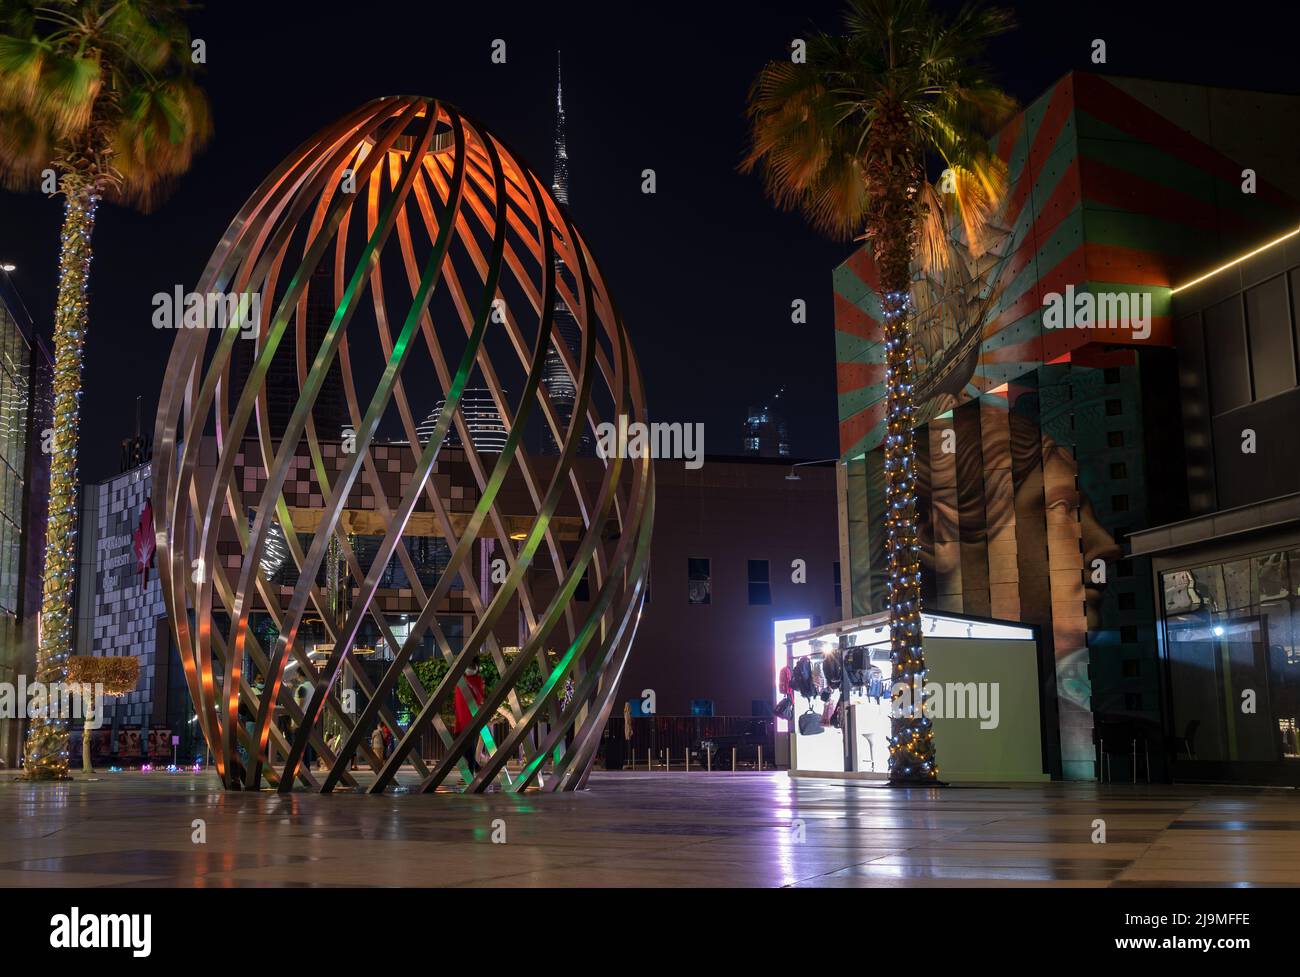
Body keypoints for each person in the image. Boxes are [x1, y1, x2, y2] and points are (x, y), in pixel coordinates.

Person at [454, 659, 486, 776]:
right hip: (461, 720)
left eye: (472, 665)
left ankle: (472, 772)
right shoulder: (463, 681)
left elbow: (479, 698)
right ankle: (475, 768)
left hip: (469, 720)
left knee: (468, 747)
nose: (470, 668)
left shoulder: (475, 681)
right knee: (463, 747)